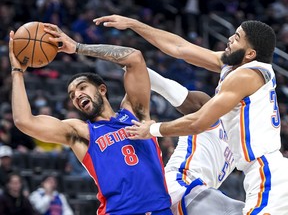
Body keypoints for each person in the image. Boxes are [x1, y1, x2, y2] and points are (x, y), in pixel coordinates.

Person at [94, 15, 288, 214]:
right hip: (264, 172)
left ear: (250, 54)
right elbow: (179, 48)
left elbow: (198, 122)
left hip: (267, 174)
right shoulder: (239, 66)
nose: (230, 38)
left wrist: (152, 129)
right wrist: (133, 24)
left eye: (237, 37)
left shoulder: (245, 76)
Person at [8, 24, 172, 214]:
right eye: (72, 95)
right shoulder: (82, 132)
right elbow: (24, 121)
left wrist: (77, 47)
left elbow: (135, 58)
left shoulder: (134, 112)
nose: (76, 95)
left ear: (102, 89)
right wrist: (17, 72)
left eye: (82, 87)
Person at [147, 67, 244, 214]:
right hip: (180, 184)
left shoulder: (241, 141)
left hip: (193, 199)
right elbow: (166, 87)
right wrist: (135, 65)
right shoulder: (208, 109)